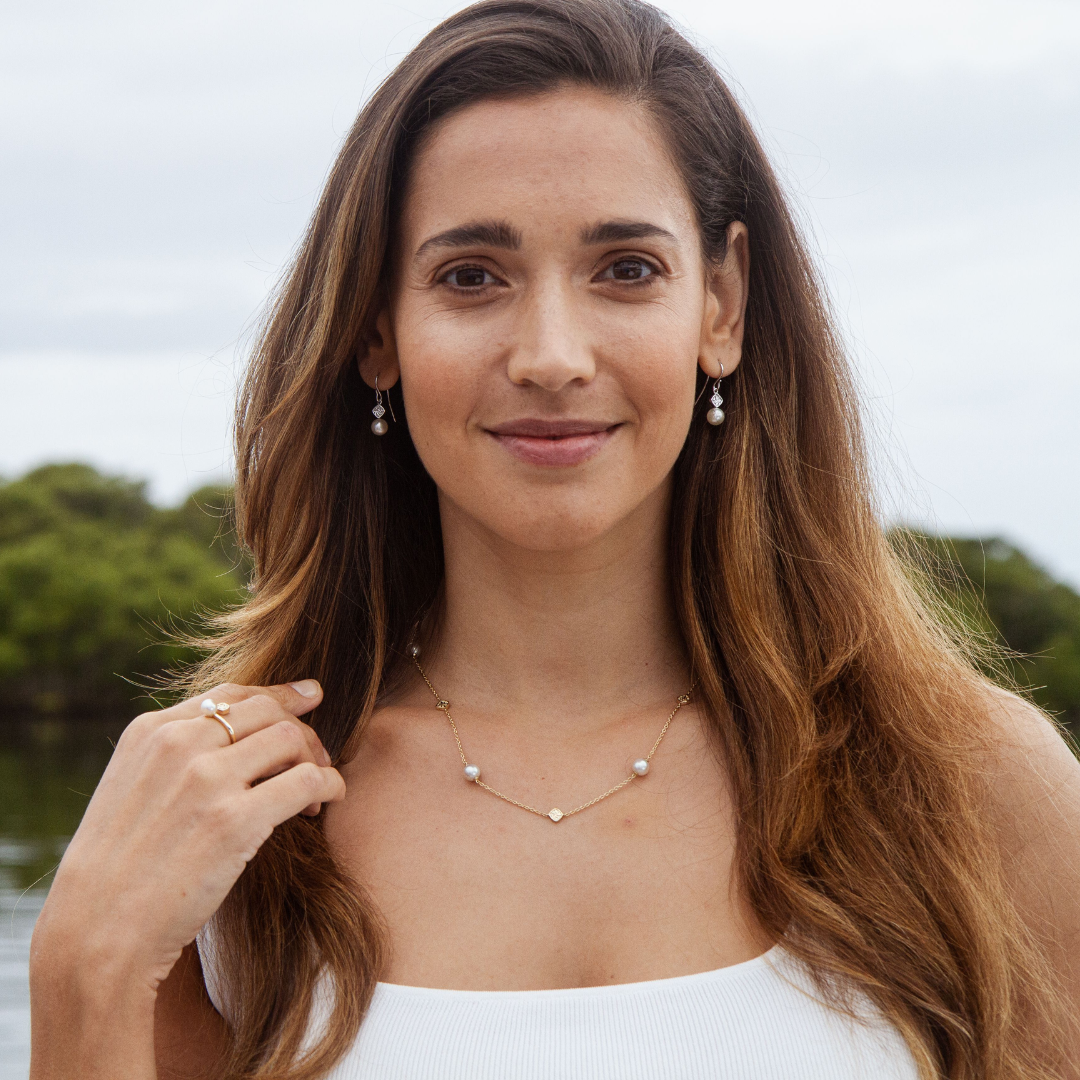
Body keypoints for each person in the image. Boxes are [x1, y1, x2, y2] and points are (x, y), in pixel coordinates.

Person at [28, 1, 1080, 1077]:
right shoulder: (233, 821)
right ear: (377, 328)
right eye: (471, 276)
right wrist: (83, 967)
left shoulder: (970, 784)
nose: (551, 355)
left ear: (722, 302)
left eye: (625, 268)